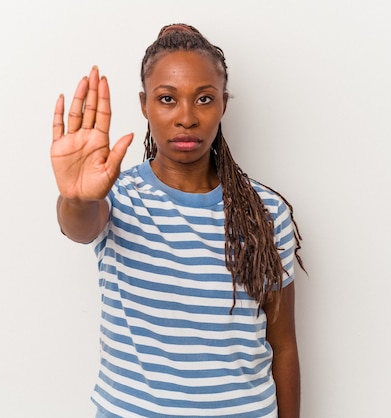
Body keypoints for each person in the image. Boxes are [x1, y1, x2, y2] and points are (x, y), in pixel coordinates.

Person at [51, 23, 305, 418]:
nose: (186, 117)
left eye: (204, 99)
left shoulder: (266, 212)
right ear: (144, 104)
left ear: (223, 103)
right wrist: (77, 196)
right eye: (167, 99)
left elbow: (284, 344)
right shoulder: (119, 195)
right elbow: (79, 225)